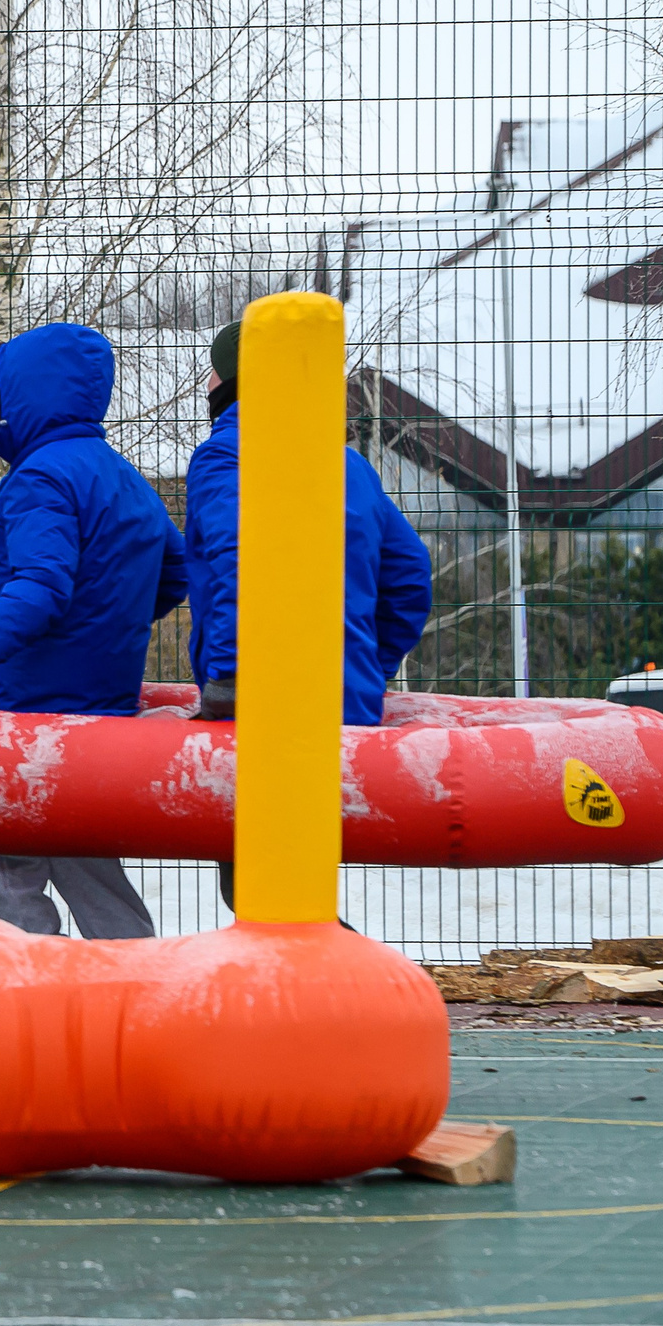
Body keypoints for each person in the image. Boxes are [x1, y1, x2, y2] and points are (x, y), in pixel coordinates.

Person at [0, 321, 187, 939]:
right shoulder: (124, 477)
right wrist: (108, 624)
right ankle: (133, 969)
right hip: (103, 704)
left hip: (30, 704)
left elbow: (39, 589)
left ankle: (38, 960)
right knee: (80, 847)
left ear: (26, 394)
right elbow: (174, 573)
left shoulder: (39, 478)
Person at [185, 320, 433, 906]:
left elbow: (235, 557)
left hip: (259, 700)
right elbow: (410, 576)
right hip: (341, 697)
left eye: (213, 369)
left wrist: (226, 675)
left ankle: (342, 992)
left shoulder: (225, 454)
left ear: (235, 379)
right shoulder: (348, 463)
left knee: (257, 886)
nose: (206, 380)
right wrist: (367, 667)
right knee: (290, 880)